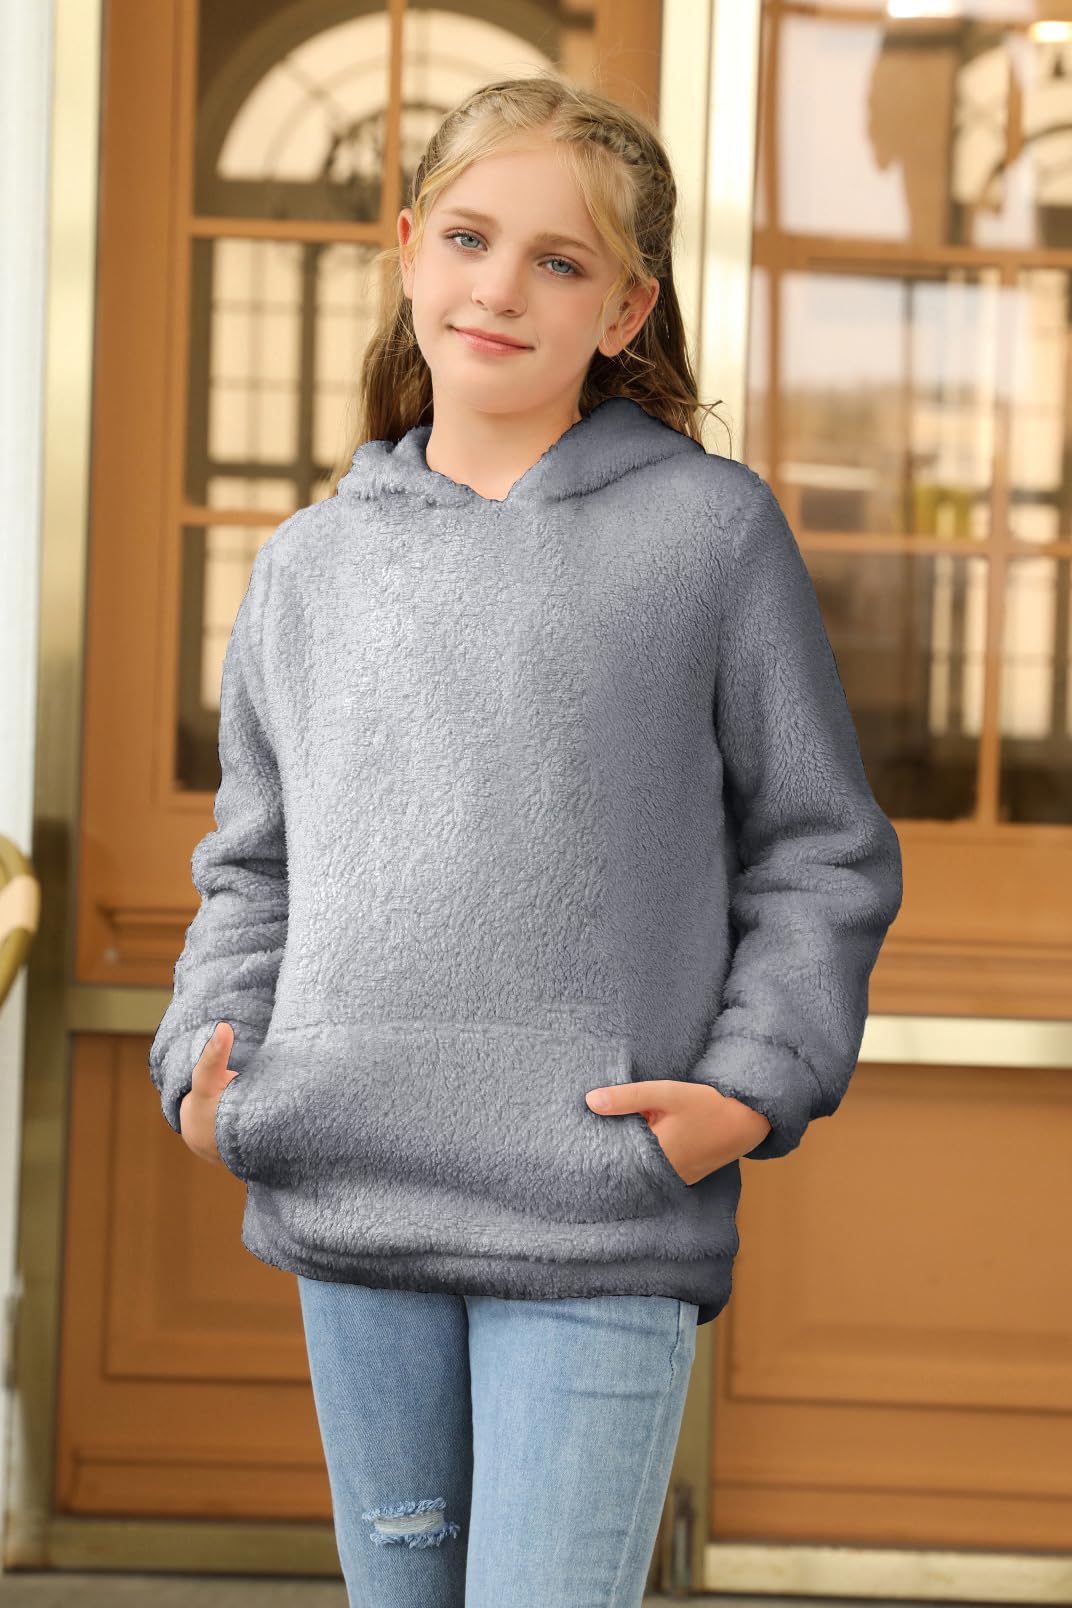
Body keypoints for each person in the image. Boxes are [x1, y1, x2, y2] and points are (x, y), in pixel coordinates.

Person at [148, 68, 903, 1608]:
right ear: (409, 249)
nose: (499, 288)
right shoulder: (307, 568)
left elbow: (820, 849)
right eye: (470, 239)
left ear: (624, 312)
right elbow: (255, 863)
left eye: (558, 262)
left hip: (598, 1211)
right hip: (348, 1197)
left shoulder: (711, 534)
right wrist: (204, 1068)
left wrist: (746, 1091)